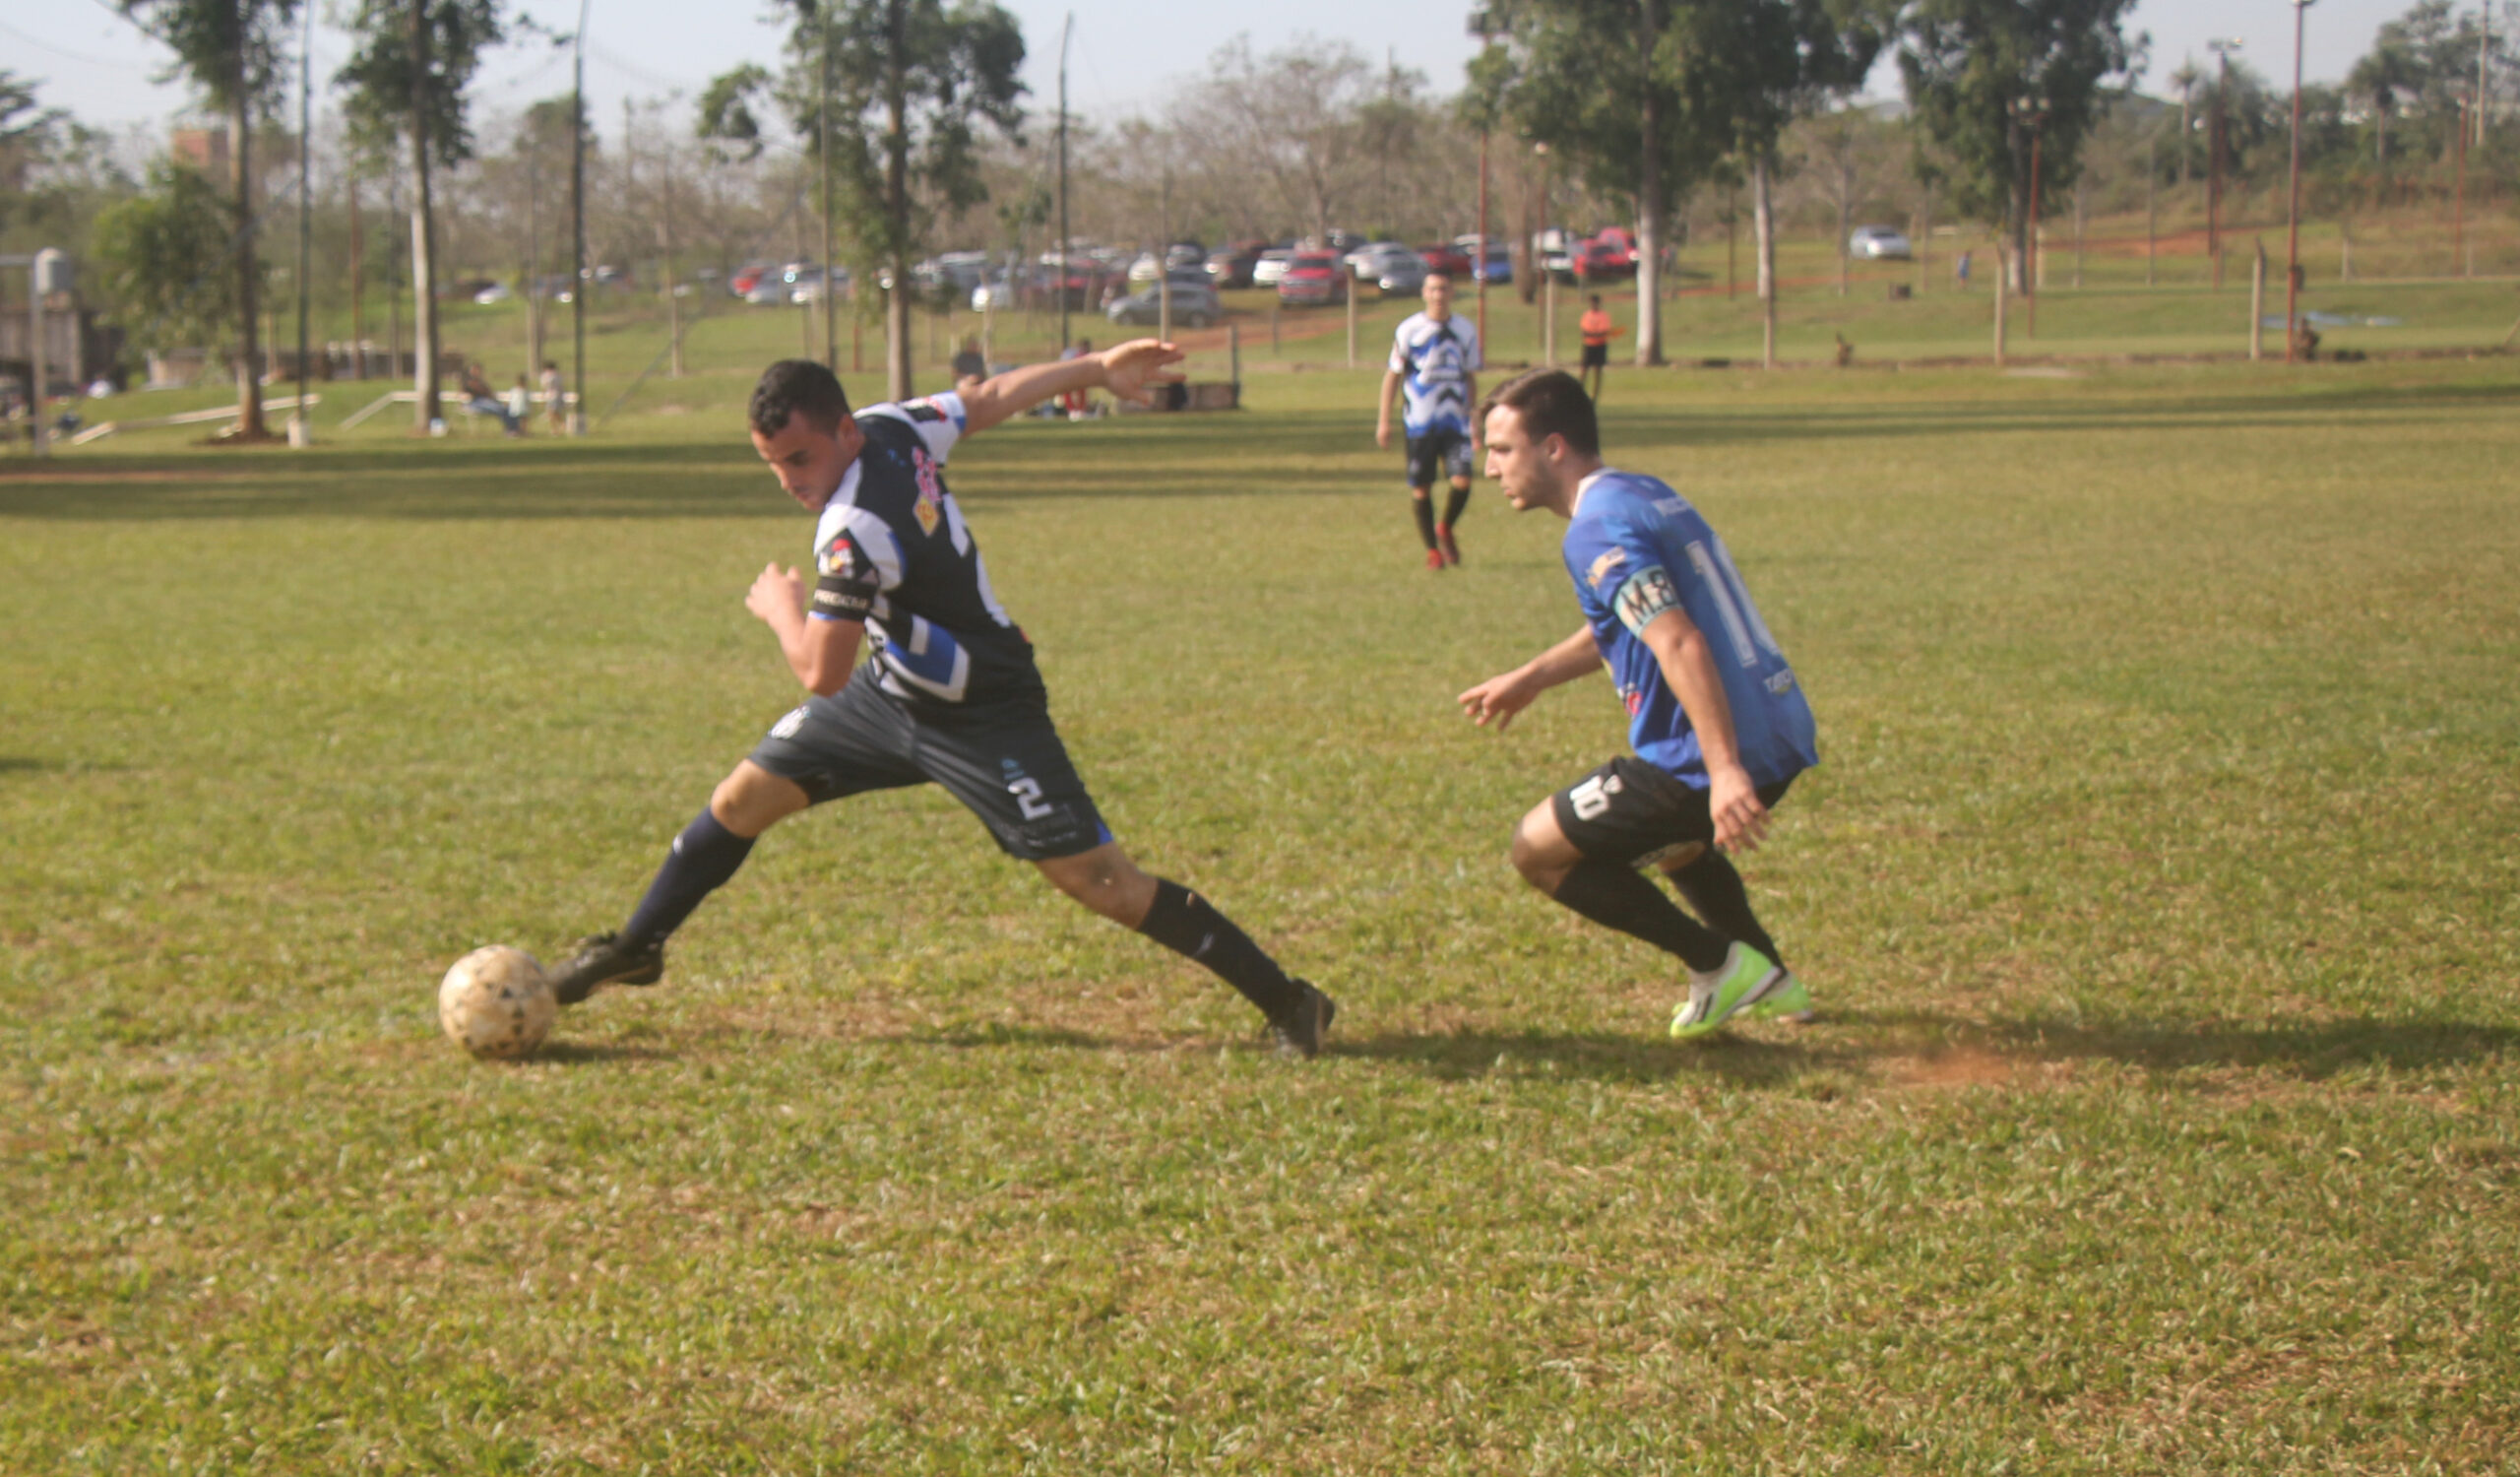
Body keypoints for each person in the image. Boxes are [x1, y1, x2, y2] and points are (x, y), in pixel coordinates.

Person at [544, 347, 1337, 1059]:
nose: (790, 481)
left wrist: (781, 608)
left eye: (800, 458)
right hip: (890, 694)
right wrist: (1094, 369)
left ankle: (1291, 1002)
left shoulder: (852, 528)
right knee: (739, 801)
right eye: (773, 465)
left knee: (1103, 883)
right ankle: (638, 948)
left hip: (985, 709)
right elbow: (987, 399)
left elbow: (820, 671)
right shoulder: (896, 426)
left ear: (844, 431)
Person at [1457, 369, 1818, 1040]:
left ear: (1554, 447)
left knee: (1536, 850)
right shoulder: (1644, 493)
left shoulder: (1594, 531)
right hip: (1780, 725)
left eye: (1503, 449)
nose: (1490, 469)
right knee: (1675, 845)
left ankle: (1717, 965)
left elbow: (1677, 640)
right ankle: (1770, 979)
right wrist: (1533, 676)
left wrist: (1724, 770)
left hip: (1708, 754)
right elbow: (1635, 619)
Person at [1375, 272, 1481, 570]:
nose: (1438, 295)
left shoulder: (1465, 330)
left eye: (1443, 289)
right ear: (1424, 293)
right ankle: (1433, 551)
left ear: (1452, 292)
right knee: (1421, 488)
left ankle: (1445, 526)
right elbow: (1393, 376)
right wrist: (1384, 421)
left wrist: (1473, 417)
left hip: (1456, 422)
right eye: (1433, 289)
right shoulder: (1409, 330)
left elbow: (1470, 377)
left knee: (1462, 480)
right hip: (1420, 422)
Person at [1576, 294, 1622, 402]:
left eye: (1595, 303)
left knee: (1597, 371)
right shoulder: (1586, 315)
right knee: (1584, 370)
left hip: (1600, 346)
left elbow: (1603, 332)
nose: (1593, 305)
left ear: (1598, 303)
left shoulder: (1603, 316)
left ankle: (1594, 396)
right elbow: (1584, 331)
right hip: (1588, 345)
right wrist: (1593, 334)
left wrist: (1593, 334)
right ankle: (1579, 393)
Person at [461, 361, 520, 435]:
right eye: (475, 370)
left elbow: (490, 394)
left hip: (487, 402)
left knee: (508, 409)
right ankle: (510, 430)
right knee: (500, 409)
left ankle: (515, 429)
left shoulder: (481, 382)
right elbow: (466, 395)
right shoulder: (467, 382)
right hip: (475, 403)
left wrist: (498, 401)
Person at [539, 360, 567, 432]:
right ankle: (557, 427)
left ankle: (558, 426)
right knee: (552, 413)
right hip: (554, 396)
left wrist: (543, 396)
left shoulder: (548, 375)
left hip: (552, 396)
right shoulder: (557, 375)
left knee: (552, 412)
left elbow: (544, 386)